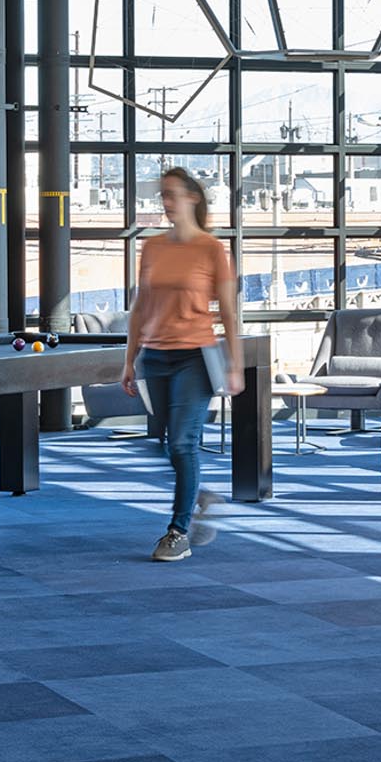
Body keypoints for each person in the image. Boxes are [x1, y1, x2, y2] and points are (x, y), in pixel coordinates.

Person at [122, 165, 244, 563]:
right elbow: (140, 307)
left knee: (181, 442)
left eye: (172, 194)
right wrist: (130, 360)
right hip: (155, 357)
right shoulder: (152, 247)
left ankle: (178, 532)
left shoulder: (211, 249)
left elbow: (228, 310)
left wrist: (235, 364)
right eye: (162, 196)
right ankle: (198, 494)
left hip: (195, 356)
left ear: (193, 197)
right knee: (166, 444)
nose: (166, 202)